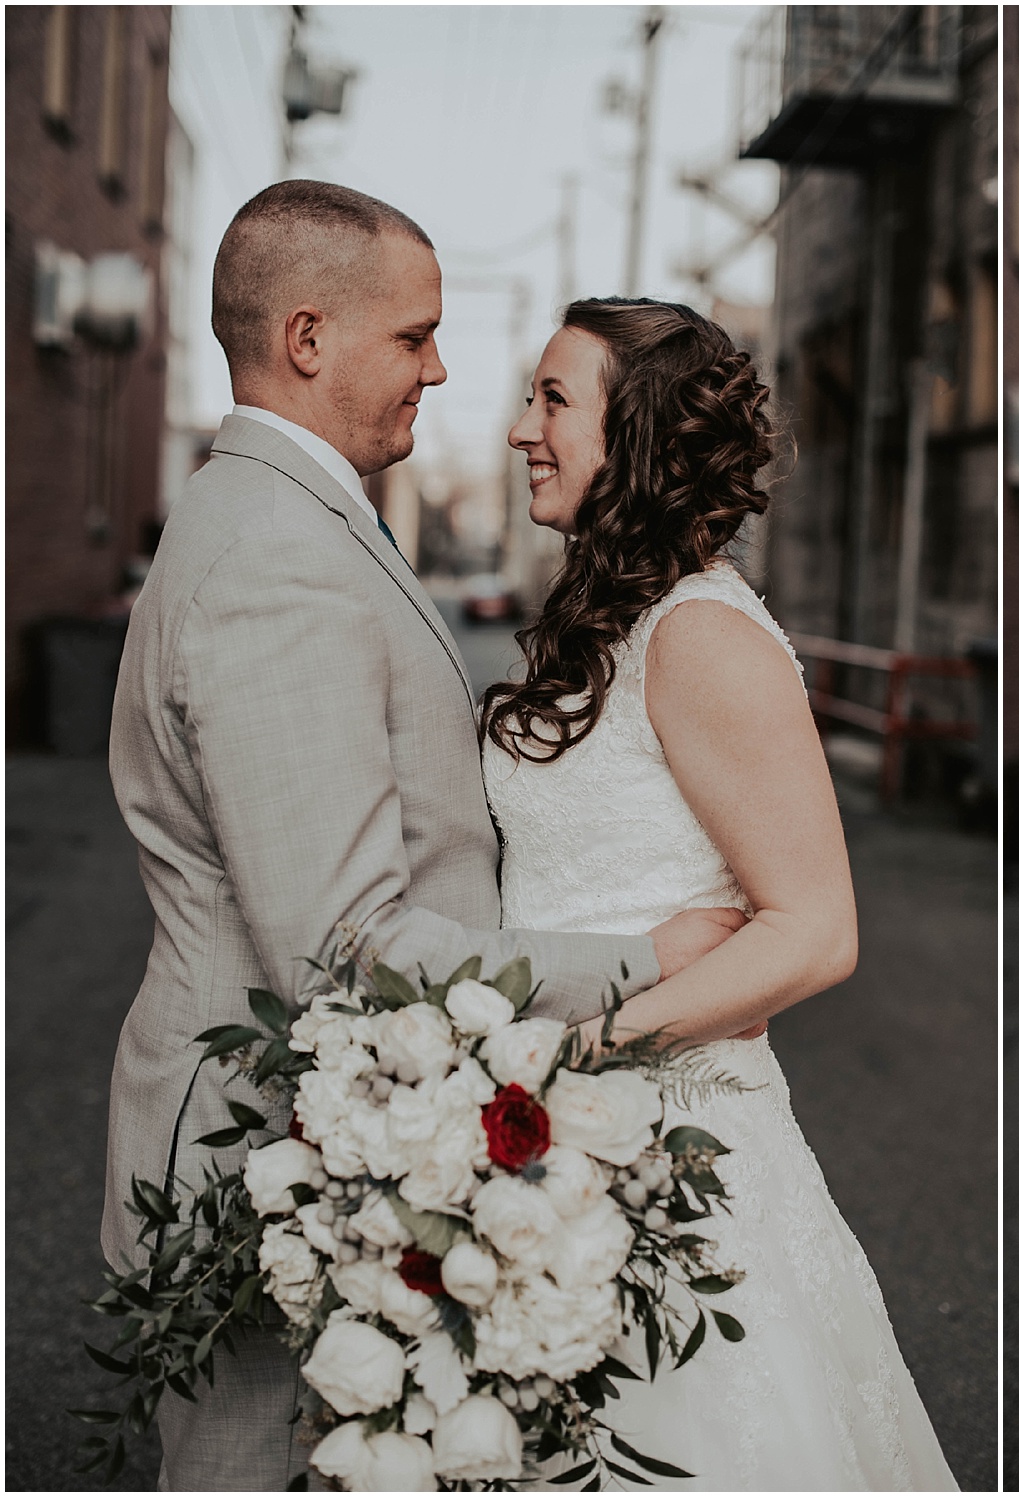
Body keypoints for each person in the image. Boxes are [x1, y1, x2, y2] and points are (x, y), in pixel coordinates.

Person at [106, 182, 736, 1491]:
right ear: (308, 337)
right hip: (261, 1158)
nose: (442, 370)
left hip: (348, 1137)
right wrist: (645, 959)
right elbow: (344, 949)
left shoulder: (302, 518)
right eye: (415, 337)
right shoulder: (276, 555)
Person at [482, 296, 957, 1490]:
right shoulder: (605, 624)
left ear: (633, 437)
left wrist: (579, 1055)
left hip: (657, 1127)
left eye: (551, 400)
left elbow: (814, 932)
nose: (518, 430)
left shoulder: (700, 637)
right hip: (542, 1130)